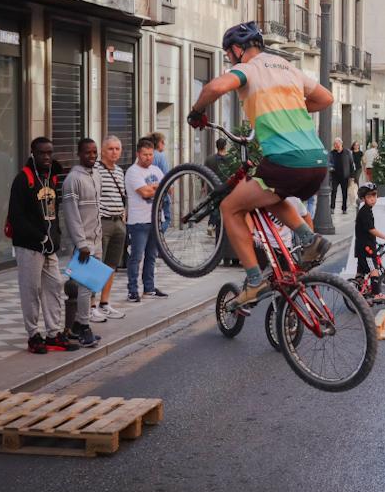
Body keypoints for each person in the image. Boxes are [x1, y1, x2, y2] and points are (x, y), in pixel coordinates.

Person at [187, 22, 331, 305]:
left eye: (229, 53)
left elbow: (215, 87)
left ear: (239, 49)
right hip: (317, 160)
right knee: (265, 193)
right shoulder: (287, 66)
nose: (229, 58)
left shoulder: (249, 68)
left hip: (286, 160)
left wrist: (196, 112)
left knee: (230, 207)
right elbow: (326, 98)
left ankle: (254, 280)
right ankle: (307, 237)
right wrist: (294, 107)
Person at [9, 137, 80, 354]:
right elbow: (16, 216)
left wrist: (55, 237)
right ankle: (33, 336)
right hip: (29, 245)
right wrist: (40, 237)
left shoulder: (52, 177)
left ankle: (53, 334)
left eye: (50, 153)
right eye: (42, 153)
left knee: (54, 287)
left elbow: (53, 210)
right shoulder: (23, 179)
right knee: (31, 290)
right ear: (33, 153)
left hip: (49, 247)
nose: (47, 157)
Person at [60, 138, 103, 347]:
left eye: (94, 152)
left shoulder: (96, 174)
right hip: (83, 243)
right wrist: (81, 243)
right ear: (79, 153)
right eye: (88, 152)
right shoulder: (72, 179)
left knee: (93, 286)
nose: (92, 156)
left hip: (97, 240)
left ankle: (77, 325)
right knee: (85, 287)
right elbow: (71, 214)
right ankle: (85, 327)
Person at [124, 138, 168, 303]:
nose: (148, 158)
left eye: (150, 154)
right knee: (136, 257)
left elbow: (169, 190)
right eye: (145, 154)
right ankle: (132, 290)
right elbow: (145, 193)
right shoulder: (132, 171)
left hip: (156, 219)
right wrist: (158, 187)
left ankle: (149, 288)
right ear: (138, 154)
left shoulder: (156, 169)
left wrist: (154, 188)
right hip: (138, 221)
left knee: (151, 256)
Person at [93, 135, 128, 320]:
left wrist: (123, 215)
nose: (114, 152)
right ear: (102, 151)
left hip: (118, 222)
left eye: (117, 149)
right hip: (102, 222)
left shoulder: (120, 171)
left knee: (111, 265)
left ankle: (105, 303)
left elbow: (121, 195)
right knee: (95, 265)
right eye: (110, 149)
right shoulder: (95, 170)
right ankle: (91, 305)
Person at [354, 183, 385, 296]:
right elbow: (371, 229)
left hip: (363, 246)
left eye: (374, 196)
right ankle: (377, 294)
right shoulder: (365, 212)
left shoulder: (367, 210)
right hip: (366, 248)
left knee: (361, 271)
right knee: (374, 270)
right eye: (369, 197)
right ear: (363, 198)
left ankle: (357, 294)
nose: (373, 199)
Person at [329, 138, 352, 214]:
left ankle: (344, 208)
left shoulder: (347, 152)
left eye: (337, 144)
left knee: (344, 192)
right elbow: (329, 163)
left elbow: (351, 164)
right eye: (334, 144)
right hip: (335, 175)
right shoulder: (332, 153)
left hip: (344, 176)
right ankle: (332, 208)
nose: (335, 145)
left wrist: (352, 176)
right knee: (333, 191)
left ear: (341, 144)